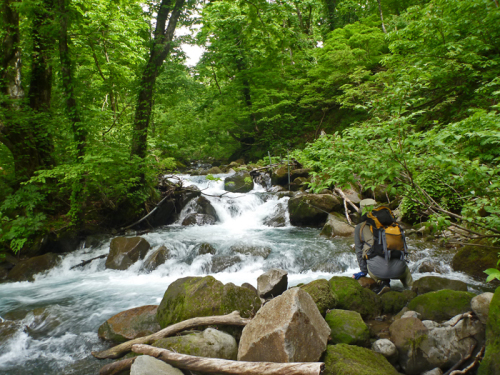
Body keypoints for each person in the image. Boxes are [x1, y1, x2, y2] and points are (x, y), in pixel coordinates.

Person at [352, 206, 413, 295]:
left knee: (372, 262)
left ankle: (383, 283)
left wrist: (364, 271)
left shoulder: (360, 227)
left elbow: (359, 251)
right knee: (406, 272)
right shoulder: (394, 225)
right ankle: (412, 289)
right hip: (399, 270)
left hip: (377, 272)